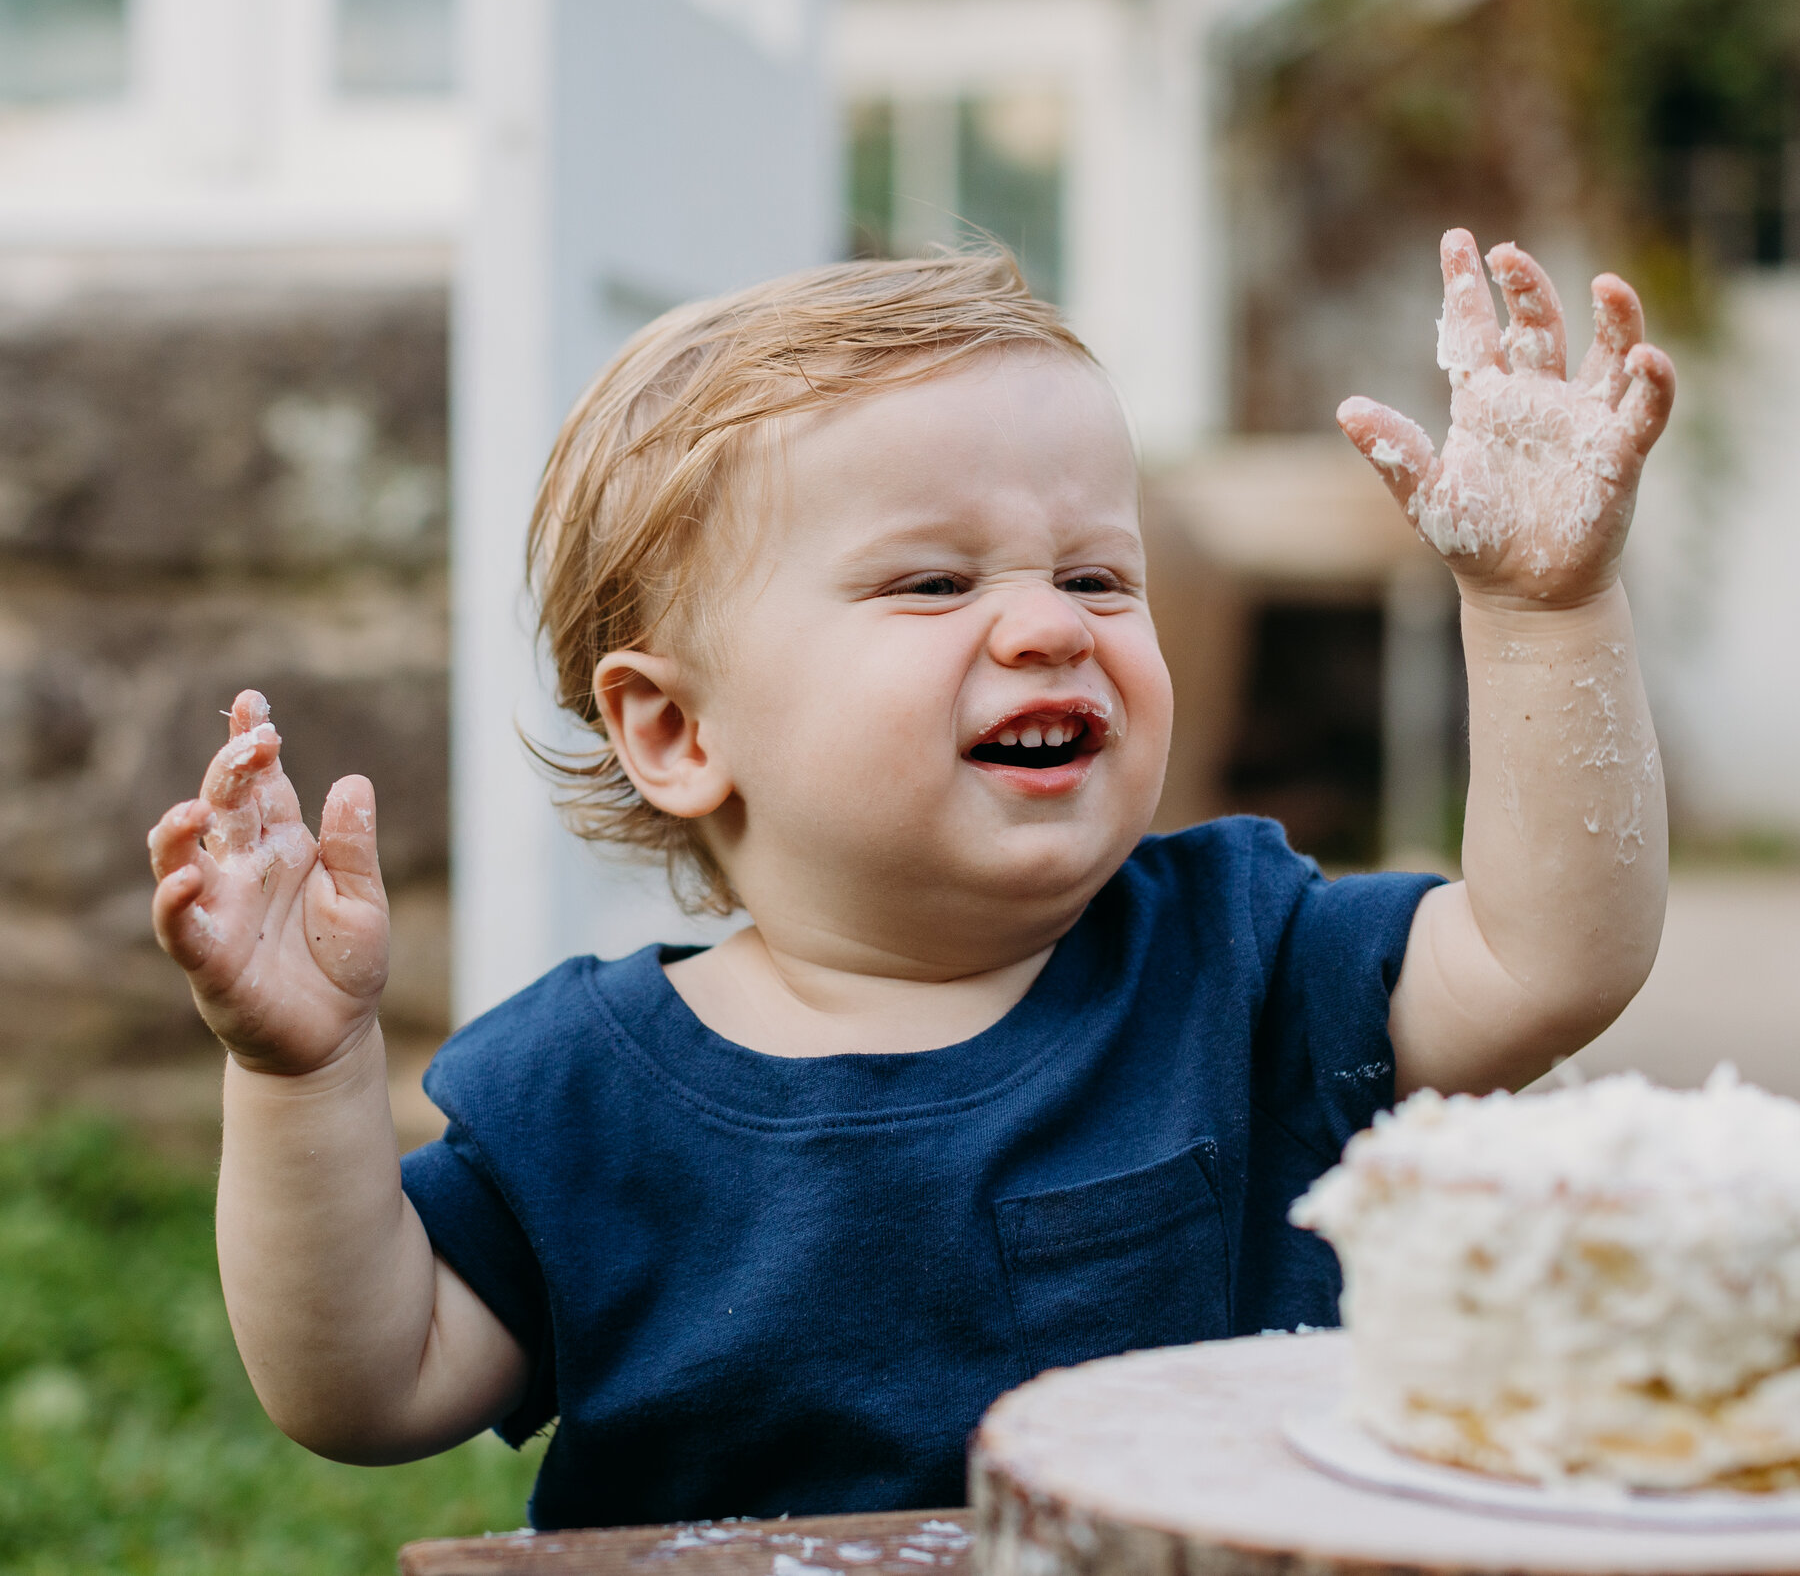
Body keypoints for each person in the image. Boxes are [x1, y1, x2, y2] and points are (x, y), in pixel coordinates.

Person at [145, 229, 1676, 1530]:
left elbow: (1549, 963)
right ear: (675, 730)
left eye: (1095, 575)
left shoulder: (1247, 962)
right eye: (935, 582)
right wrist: (301, 1072)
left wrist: (1545, 612)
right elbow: (364, 1383)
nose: (1049, 626)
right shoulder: (591, 1100)